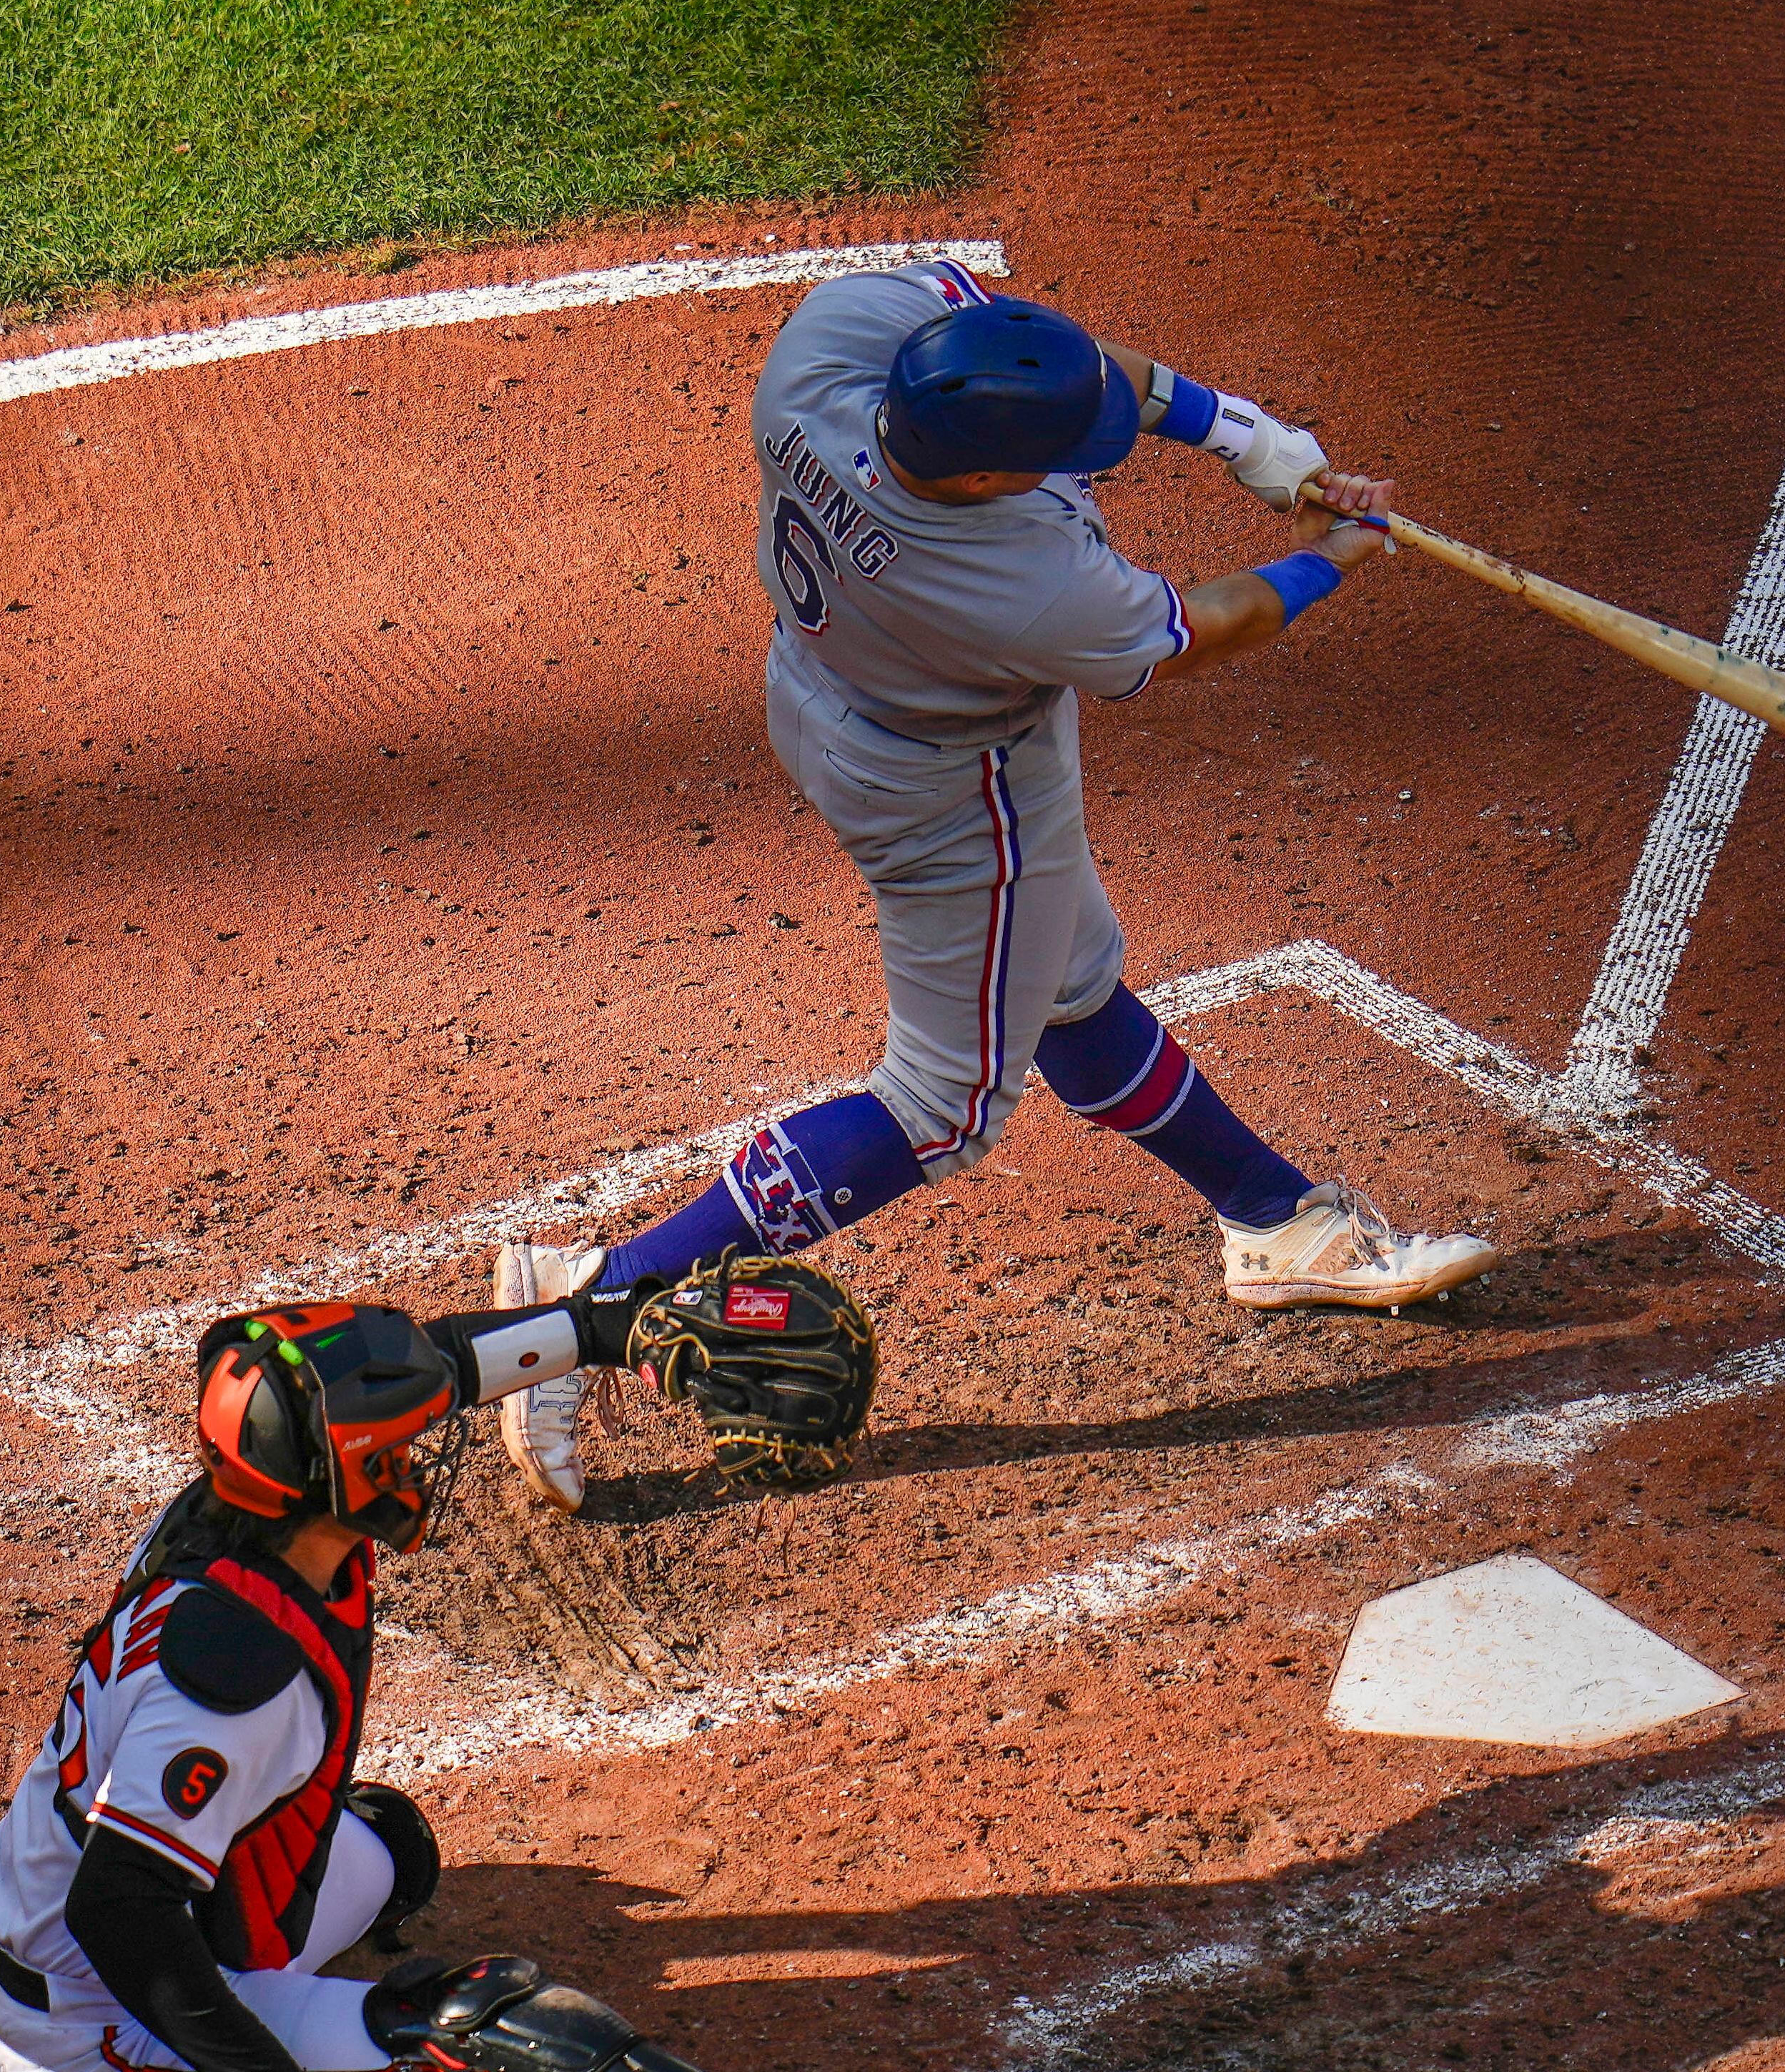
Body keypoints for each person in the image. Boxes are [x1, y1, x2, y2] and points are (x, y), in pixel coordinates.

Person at [495, 255, 1500, 1510]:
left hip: (824, 693)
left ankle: (1274, 1217)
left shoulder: (834, 345)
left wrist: (1244, 436)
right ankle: (595, 1300)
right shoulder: (1019, 579)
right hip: (956, 794)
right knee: (945, 1105)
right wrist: (1335, 552)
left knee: (1071, 987)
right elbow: (1201, 629)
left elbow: (1054, 357)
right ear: (980, 475)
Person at [0, 1294, 1053, 2072]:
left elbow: (449, 1362)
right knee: (494, 2029)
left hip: (42, 1912)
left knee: (385, 1845)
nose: (424, 1456)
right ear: (347, 1473)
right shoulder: (238, 1682)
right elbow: (120, 1912)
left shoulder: (243, 1513)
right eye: (400, 1448)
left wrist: (617, 1332)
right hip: (106, 2048)